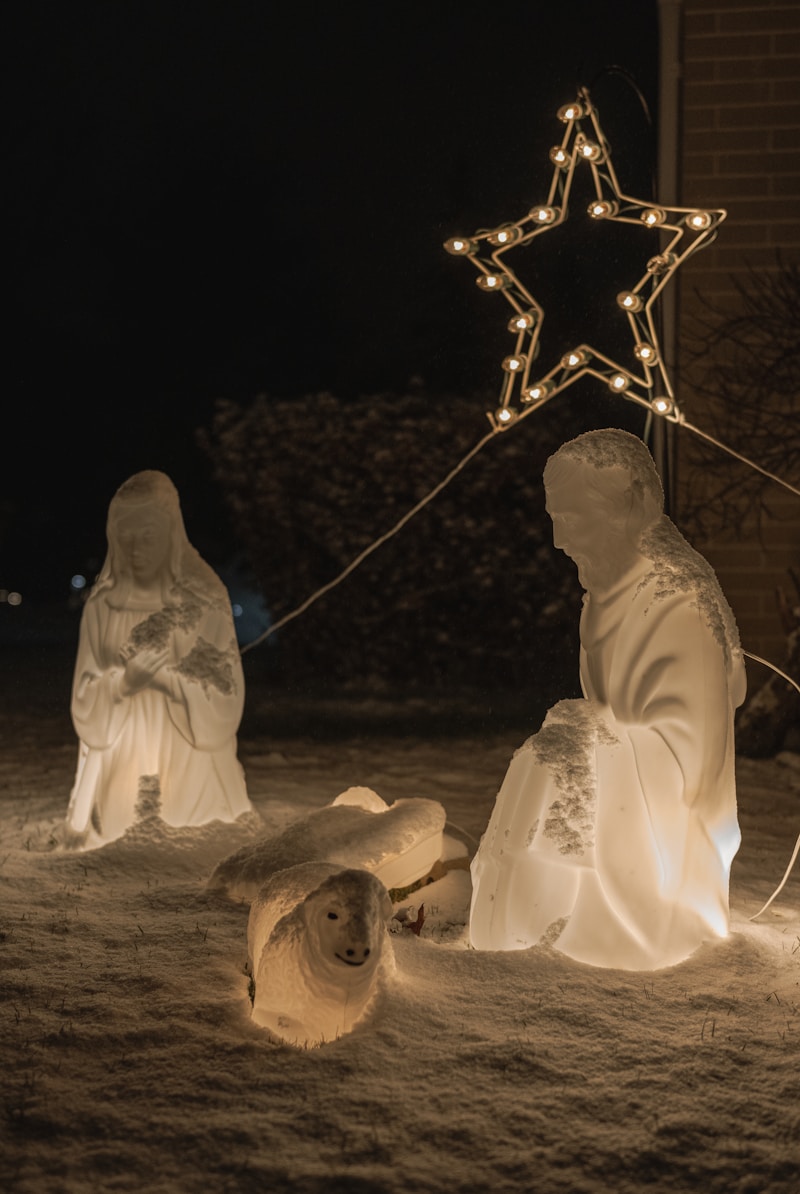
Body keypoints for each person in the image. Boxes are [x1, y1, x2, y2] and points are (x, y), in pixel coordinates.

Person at [469, 429, 746, 970]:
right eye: (555, 518)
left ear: (630, 509)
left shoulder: (676, 601)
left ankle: (606, 928)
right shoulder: (607, 590)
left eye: (572, 519)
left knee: (561, 744)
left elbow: (690, 764)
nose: (557, 540)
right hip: (621, 792)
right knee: (555, 746)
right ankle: (536, 928)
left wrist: (588, 734)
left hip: (666, 852)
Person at [65, 470, 252, 847]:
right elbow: (84, 699)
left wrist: (169, 680)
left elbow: (225, 691)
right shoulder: (102, 607)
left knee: (192, 831)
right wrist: (122, 685)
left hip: (189, 758)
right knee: (120, 825)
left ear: (169, 537)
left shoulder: (204, 601)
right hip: (121, 755)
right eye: (126, 538)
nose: (135, 549)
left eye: (147, 537)